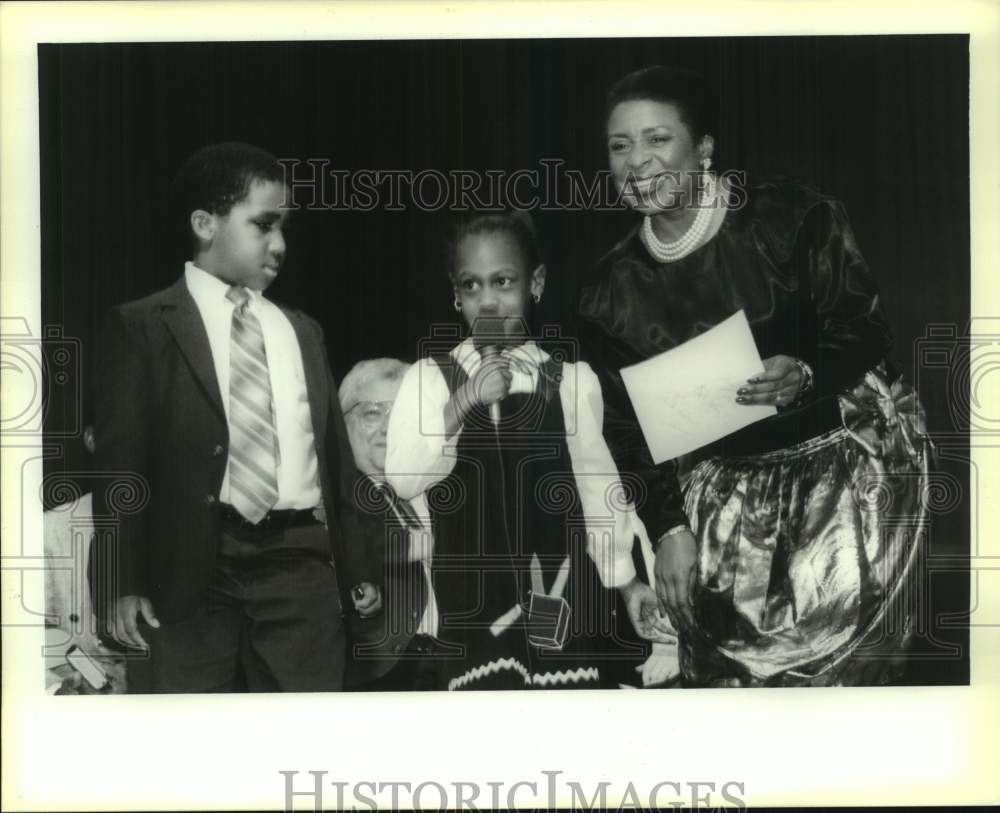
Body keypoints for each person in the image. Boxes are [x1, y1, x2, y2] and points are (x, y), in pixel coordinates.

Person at [577, 66, 932, 687]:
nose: (638, 161)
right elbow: (628, 430)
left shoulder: (790, 218)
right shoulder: (608, 294)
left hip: (848, 481)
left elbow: (866, 329)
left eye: (657, 139)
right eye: (620, 145)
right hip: (730, 509)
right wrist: (668, 531)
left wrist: (808, 370)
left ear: (704, 148)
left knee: (845, 697)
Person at [94, 142, 368, 692]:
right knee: (189, 753)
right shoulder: (144, 327)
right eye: (263, 225)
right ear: (205, 223)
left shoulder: (302, 331)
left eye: (284, 227)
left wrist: (358, 563)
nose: (280, 244)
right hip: (190, 571)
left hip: (299, 569)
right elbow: (121, 468)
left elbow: (335, 459)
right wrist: (120, 581)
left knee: (309, 744)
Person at [385, 211, 667, 691]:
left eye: (503, 282)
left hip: (559, 594)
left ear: (535, 283)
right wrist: (464, 401)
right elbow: (405, 477)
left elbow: (599, 493)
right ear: (455, 293)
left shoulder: (569, 381)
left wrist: (626, 582)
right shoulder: (430, 379)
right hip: (474, 604)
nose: (488, 301)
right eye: (471, 286)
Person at [339, 358, 449, 691]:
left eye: (401, 415)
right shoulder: (331, 497)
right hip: (381, 672)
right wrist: (427, 544)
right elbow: (351, 543)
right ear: (342, 424)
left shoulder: (445, 490)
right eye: (373, 413)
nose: (389, 428)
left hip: (453, 666)